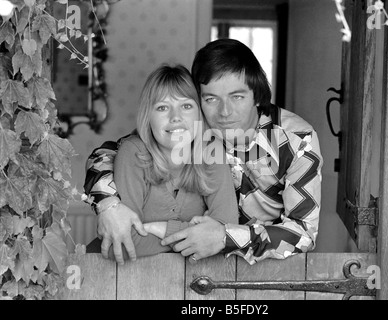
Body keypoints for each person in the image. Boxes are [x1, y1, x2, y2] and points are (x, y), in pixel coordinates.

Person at [84, 39, 323, 265]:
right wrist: (108, 204)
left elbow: (303, 234)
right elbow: (111, 153)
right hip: (182, 267)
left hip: (256, 267)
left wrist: (224, 237)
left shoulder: (295, 141)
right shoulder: (198, 126)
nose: (225, 112)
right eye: (211, 99)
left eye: (237, 96)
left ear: (257, 95)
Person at [85, 64, 238, 259]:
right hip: (111, 277)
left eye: (186, 106)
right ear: (148, 116)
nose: (176, 117)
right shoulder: (133, 153)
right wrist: (196, 236)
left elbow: (227, 232)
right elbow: (125, 244)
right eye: (163, 107)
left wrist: (163, 229)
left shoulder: (211, 152)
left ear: (199, 113)